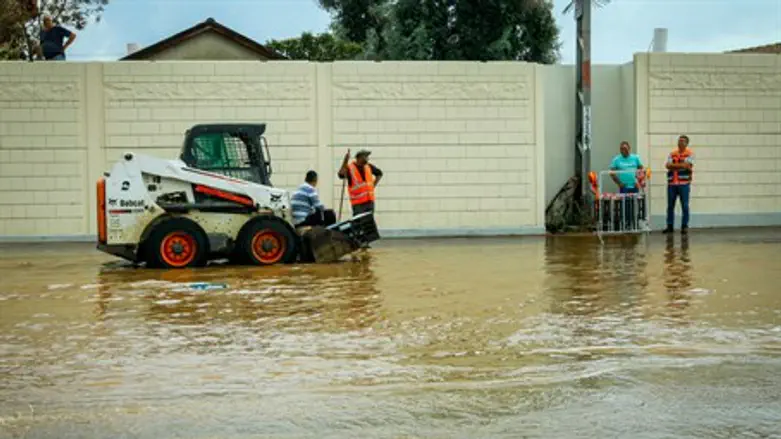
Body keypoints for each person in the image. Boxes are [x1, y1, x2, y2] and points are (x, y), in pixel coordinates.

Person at [664, 134, 694, 234]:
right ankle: (669, 226)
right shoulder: (672, 153)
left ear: (686, 143)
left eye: (682, 141)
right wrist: (680, 165)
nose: (680, 142)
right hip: (672, 183)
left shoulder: (690, 153)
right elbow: (667, 165)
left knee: (685, 206)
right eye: (679, 140)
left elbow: (687, 165)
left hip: (684, 183)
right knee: (670, 206)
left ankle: (684, 226)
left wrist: (674, 165)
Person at [338, 149, 383, 216]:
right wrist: (345, 161)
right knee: (359, 223)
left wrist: (373, 185)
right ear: (359, 157)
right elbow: (341, 174)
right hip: (358, 204)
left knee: (369, 223)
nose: (367, 158)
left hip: (369, 201)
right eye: (365, 156)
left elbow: (379, 173)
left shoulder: (369, 166)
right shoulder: (350, 168)